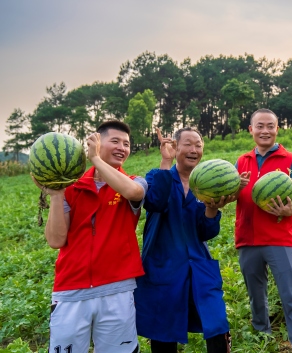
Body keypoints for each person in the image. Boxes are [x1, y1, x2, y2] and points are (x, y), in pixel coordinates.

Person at [33, 120, 147, 353]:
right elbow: (56, 241)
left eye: (126, 144)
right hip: (71, 290)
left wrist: (95, 159)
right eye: (114, 141)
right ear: (96, 141)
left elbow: (133, 193)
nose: (122, 147)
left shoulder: (134, 182)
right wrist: (56, 195)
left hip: (117, 288)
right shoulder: (72, 189)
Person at [134, 127, 235, 353]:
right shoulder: (158, 176)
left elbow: (206, 232)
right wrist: (165, 161)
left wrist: (211, 208)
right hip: (164, 267)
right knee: (164, 333)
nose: (194, 150)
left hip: (199, 265)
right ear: (176, 147)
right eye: (188, 144)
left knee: (217, 323)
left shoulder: (208, 183)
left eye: (198, 145)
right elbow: (156, 202)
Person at [235, 108, 292, 353]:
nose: (265, 130)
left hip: (279, 238)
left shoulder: (291, 160)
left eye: (270, 126)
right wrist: (236, 188)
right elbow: (231, 195)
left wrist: (290, 211)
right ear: (251, 130)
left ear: (277, 129)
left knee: (291, 296)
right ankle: (263, 340)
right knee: (256, 297)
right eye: (260, 126)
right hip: (247, 238)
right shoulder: (242, 161)